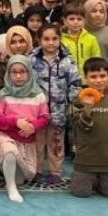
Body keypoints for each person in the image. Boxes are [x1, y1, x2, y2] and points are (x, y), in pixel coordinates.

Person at [0, 55, 50, 202]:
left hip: (26, 140)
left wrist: (33, 126)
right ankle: (11, 188)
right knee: (9, 152)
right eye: (14, 72)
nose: (18, 76)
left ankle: (6, 170)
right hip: (6, 136)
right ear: (8, 73)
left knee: (20, 179)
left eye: (22, 72)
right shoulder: (3, 94)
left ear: (29, 72)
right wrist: (16, 122)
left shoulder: (38, 95)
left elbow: (45, 117)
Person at [30, 25, 82, 183]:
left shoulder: (68, 61)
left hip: (59, 110)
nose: (51, 42)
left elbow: (75, 83)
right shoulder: (31, 59)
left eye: (54, 38)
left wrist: (72, 101)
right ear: (39, 40)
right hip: (37, 112)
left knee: (56, 142)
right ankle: (36, 170)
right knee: (37, 143)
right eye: (46, 39)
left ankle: (55, 171)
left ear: (60, 39)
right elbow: (27, 83)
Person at [70, 58, 108, 198]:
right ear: (86, 78)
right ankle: (87, 178)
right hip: (86, 158)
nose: (98, 80)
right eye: (93, 77)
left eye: (102, 76)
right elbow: (82, 126)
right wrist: (87, 109)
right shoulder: (78, 100)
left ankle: (97, 180)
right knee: (80, 193)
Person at [60, 5, 101, 82]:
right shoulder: (59, 39)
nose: (76, 22)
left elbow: (96, 60)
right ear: (64, 21)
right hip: (66, 81)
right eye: (72, 19)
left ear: (84, 21)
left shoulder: (91, 39)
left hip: (87, 81)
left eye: (79, 19)